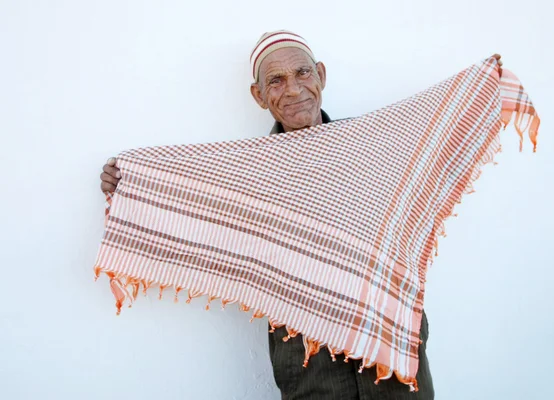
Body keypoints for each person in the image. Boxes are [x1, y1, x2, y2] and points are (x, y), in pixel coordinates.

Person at [100, 30, 503, 400]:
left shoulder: (371, 146)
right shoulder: (247, 173)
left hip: (387, 338)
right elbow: (188, 203)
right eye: (275, 81)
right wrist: (131, 186)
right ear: (258, 96)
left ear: (321, 75)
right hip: (308, 355)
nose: (293, 89)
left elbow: (433, 134)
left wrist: (483, 83)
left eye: (302, 72)